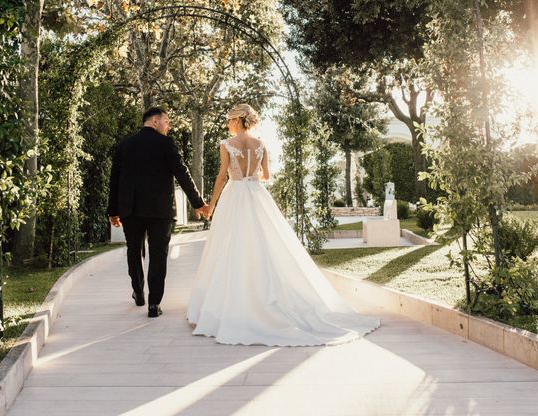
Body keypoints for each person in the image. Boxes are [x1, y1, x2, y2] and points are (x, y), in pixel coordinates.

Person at [187, 103, 379, 346]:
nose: (227, 124)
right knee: (266, 244)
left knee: (230, 245)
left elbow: (222, 175)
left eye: (229, 120)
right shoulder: (261, 145)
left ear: (237, 121)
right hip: (256, 195)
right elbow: (266, 175)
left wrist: (211, 205)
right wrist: (252, 173)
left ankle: (230, 305)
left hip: (234, 195)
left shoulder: (227, 144)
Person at [108, 107, 210, 318]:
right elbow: (182, 173)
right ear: (155, 122)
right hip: (160, 210)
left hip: (131, 209)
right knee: (158, 255)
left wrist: (113, 210)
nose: (168, 126)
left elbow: (114, 180)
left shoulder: (124, 145)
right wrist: (198, 203)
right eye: (166, 122)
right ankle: (154, 303)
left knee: (134, 251)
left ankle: (138, 291)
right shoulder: (166, 144)